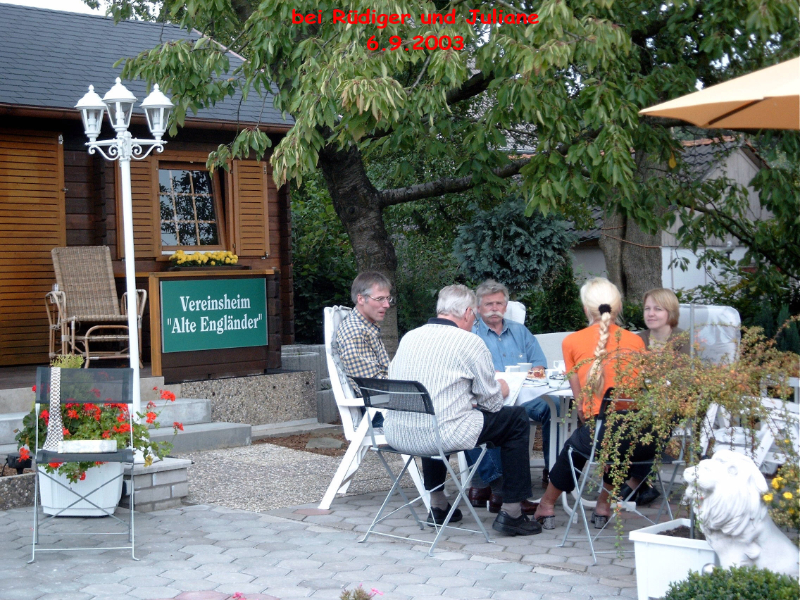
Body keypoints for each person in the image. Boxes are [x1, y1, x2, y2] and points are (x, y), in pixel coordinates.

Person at [386, 284, 541, 536]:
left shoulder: (409, 337)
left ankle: (438, 505)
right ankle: (512, 512)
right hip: (442, 435)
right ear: (468, 312)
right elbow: (492, 404)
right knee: (516, 419)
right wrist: (502, 388)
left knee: (433, 414)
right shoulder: (469, 341)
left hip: (399, 433)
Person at [532, 277, 652, 530]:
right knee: (616, 446)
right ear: (618, 308)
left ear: (586, 310)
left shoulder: (572, 342)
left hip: (600, 428)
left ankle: (547, 504)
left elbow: (582, 405)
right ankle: (603, 505)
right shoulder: (637, 342)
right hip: (636, 433)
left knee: (574, 448)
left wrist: (590, 419)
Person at [467, 280, 550, 514]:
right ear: (478, 308)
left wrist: (533, 373)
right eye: (489, 304)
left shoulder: (520, 331)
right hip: (491, 396)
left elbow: (540, 364)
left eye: (499, 303)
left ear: (506, 306)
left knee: (551, 409)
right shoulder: (471, 334)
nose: (494, 308)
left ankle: (552, 470)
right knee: (496, 415)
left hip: (525, 394)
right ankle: (495, 485)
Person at [336, 272, 393, 427]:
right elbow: (372, 388)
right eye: (380, 299)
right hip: (379, 414)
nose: (386, 305)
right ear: (361, 299)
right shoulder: (355, 332)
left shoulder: (366, 327)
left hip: (384, 407)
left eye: (388, 298)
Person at [639, 288, 690, 355]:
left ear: (671, 312)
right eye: (647, 308)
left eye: (658, 309)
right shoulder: (637, 339)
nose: (650, 314)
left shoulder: (683, 340)